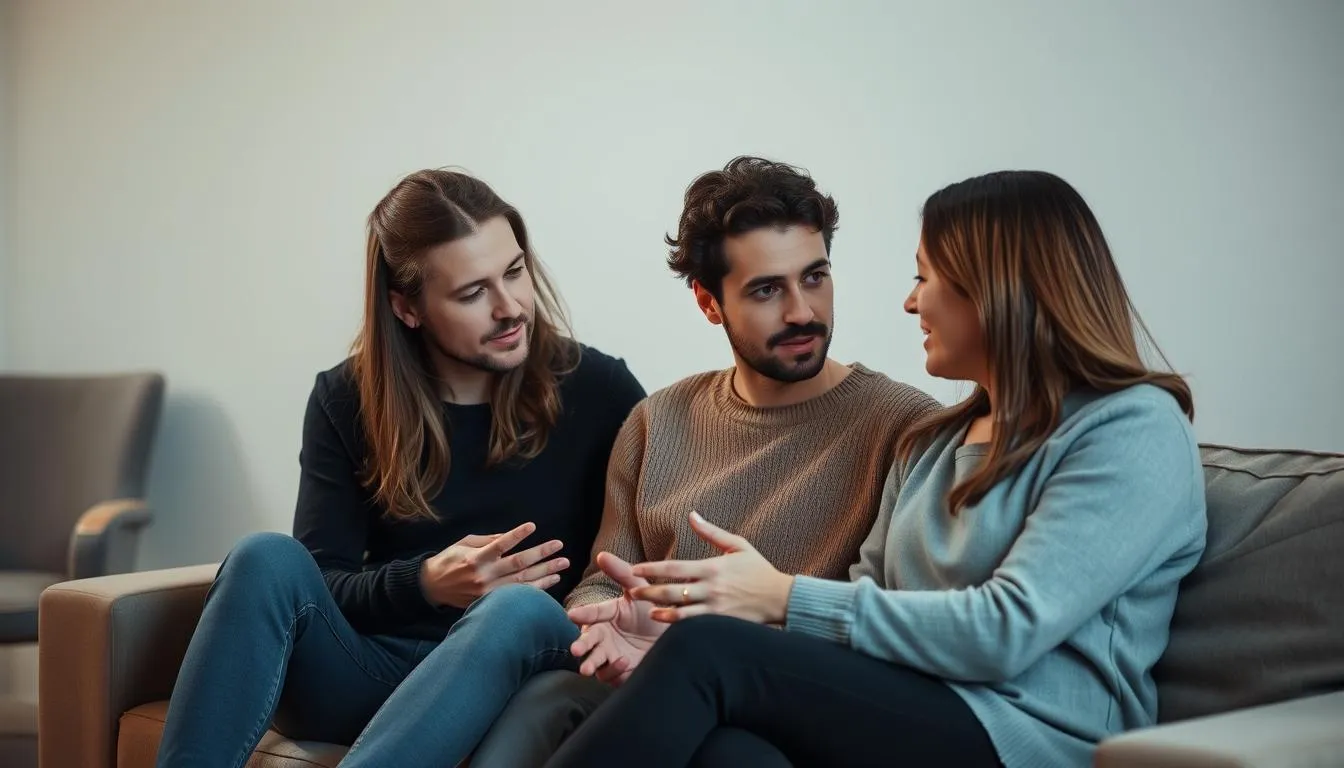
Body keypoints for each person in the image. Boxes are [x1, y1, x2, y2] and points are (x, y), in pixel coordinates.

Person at [540, 170, 1210, 768]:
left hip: (1033, 738)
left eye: (924, 277)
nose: (911, 304)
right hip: (904, 710)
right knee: (730, 751)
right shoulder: (933, 443)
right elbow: (862, 612)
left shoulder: (1130, 427)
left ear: (993, 288)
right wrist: (676, 624)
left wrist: (779, 597)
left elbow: (1005, 631)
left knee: (710, 653)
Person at [153, 168, 647, 767]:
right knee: (264, 556)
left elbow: (647, 558)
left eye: (514, 271)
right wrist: (427, 582)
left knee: (515, 608)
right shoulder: (346, 399)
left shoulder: (599, 389)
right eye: (472, 293)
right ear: (407, 308)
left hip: (520, 679)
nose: (510, 307)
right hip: (374, 673)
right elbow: (326, 579)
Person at [466, 155, 942, 767]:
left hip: (792, 713)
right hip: (653, 686)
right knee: (548, 695)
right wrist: (606, 623)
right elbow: (605, 577)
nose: (802, 311)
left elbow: (894, 622)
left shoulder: (906, 427)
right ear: (708, 302)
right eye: (767, 289)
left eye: (815, 276)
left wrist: (715, 639)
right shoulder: (657, 420)